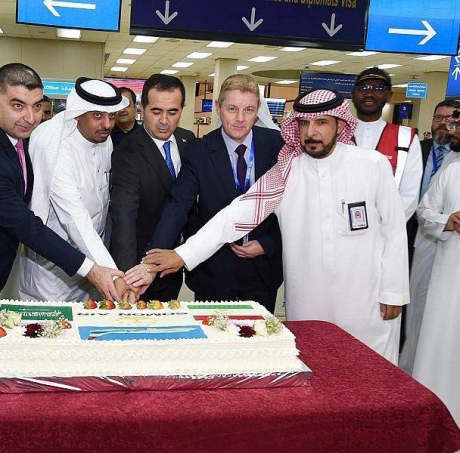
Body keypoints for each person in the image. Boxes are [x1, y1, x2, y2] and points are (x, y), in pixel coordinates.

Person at [143, 89, 409, 364]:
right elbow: (233, 217)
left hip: (364, 298)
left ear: (340, 124)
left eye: (321, 123)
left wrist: (393, 291)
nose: (311, 133)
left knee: (372, 374)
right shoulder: (286, 172)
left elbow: (394, 231)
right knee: (312, 368)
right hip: (309, 298)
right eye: (304, 124)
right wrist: (182, 255)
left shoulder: (372, 165)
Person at [0, 63, 123, 321]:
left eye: (37, 106)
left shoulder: (8, 132)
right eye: (18, 105)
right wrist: (92, 270)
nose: (30, 117)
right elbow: (27, 226)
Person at [132, 74, 283, 312]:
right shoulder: (199, 151)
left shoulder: (278, 146)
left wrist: (267, 243)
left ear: (258, 111)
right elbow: (177, 205)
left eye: (249, 109)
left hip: (262, 271)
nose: (240, 119)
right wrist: (153, 262)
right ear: (218, 108)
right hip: (214, 271)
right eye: (232, 109)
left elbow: (294, 210)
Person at [20, 77, 132, 302]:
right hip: (53, 268)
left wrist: (102, 267)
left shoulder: (103, 139)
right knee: (51, 330)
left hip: (92, 258)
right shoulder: (56, 147)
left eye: (111, 116)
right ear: (78, 113)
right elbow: (75, 218)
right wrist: (113, 275)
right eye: (98, 115)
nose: (107, 125)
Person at [110, 74, 196, 301]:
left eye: (173, 112)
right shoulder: (127, 152)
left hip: (176, 262)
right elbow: (124, 217)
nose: (164, 121)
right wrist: (129, 277)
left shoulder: (189, 141)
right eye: (156, 111)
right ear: (142, 107)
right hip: (141, 261)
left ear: (182, 108)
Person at [400, 100, 460, 373]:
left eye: (454, 121)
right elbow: (425, 208)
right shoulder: (448, 168)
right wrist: (445, 221)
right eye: (441, 118)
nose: (447, 126)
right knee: (423, 314)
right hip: (424, 244)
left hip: (445, 254)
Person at [412, 130, 460, 425]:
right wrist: (448, 220)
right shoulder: (453, 172)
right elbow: (424, 211)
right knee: (443, 342)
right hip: (450, 279)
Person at [351, 67, 422, 222]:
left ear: (389, 95)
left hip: (387, 232)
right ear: (353, 94)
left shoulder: (405, 137)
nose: (369, 93)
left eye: (378, 88)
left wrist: (386, 229)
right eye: (364, 88)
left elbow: (409, 193)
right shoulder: (336, 134)